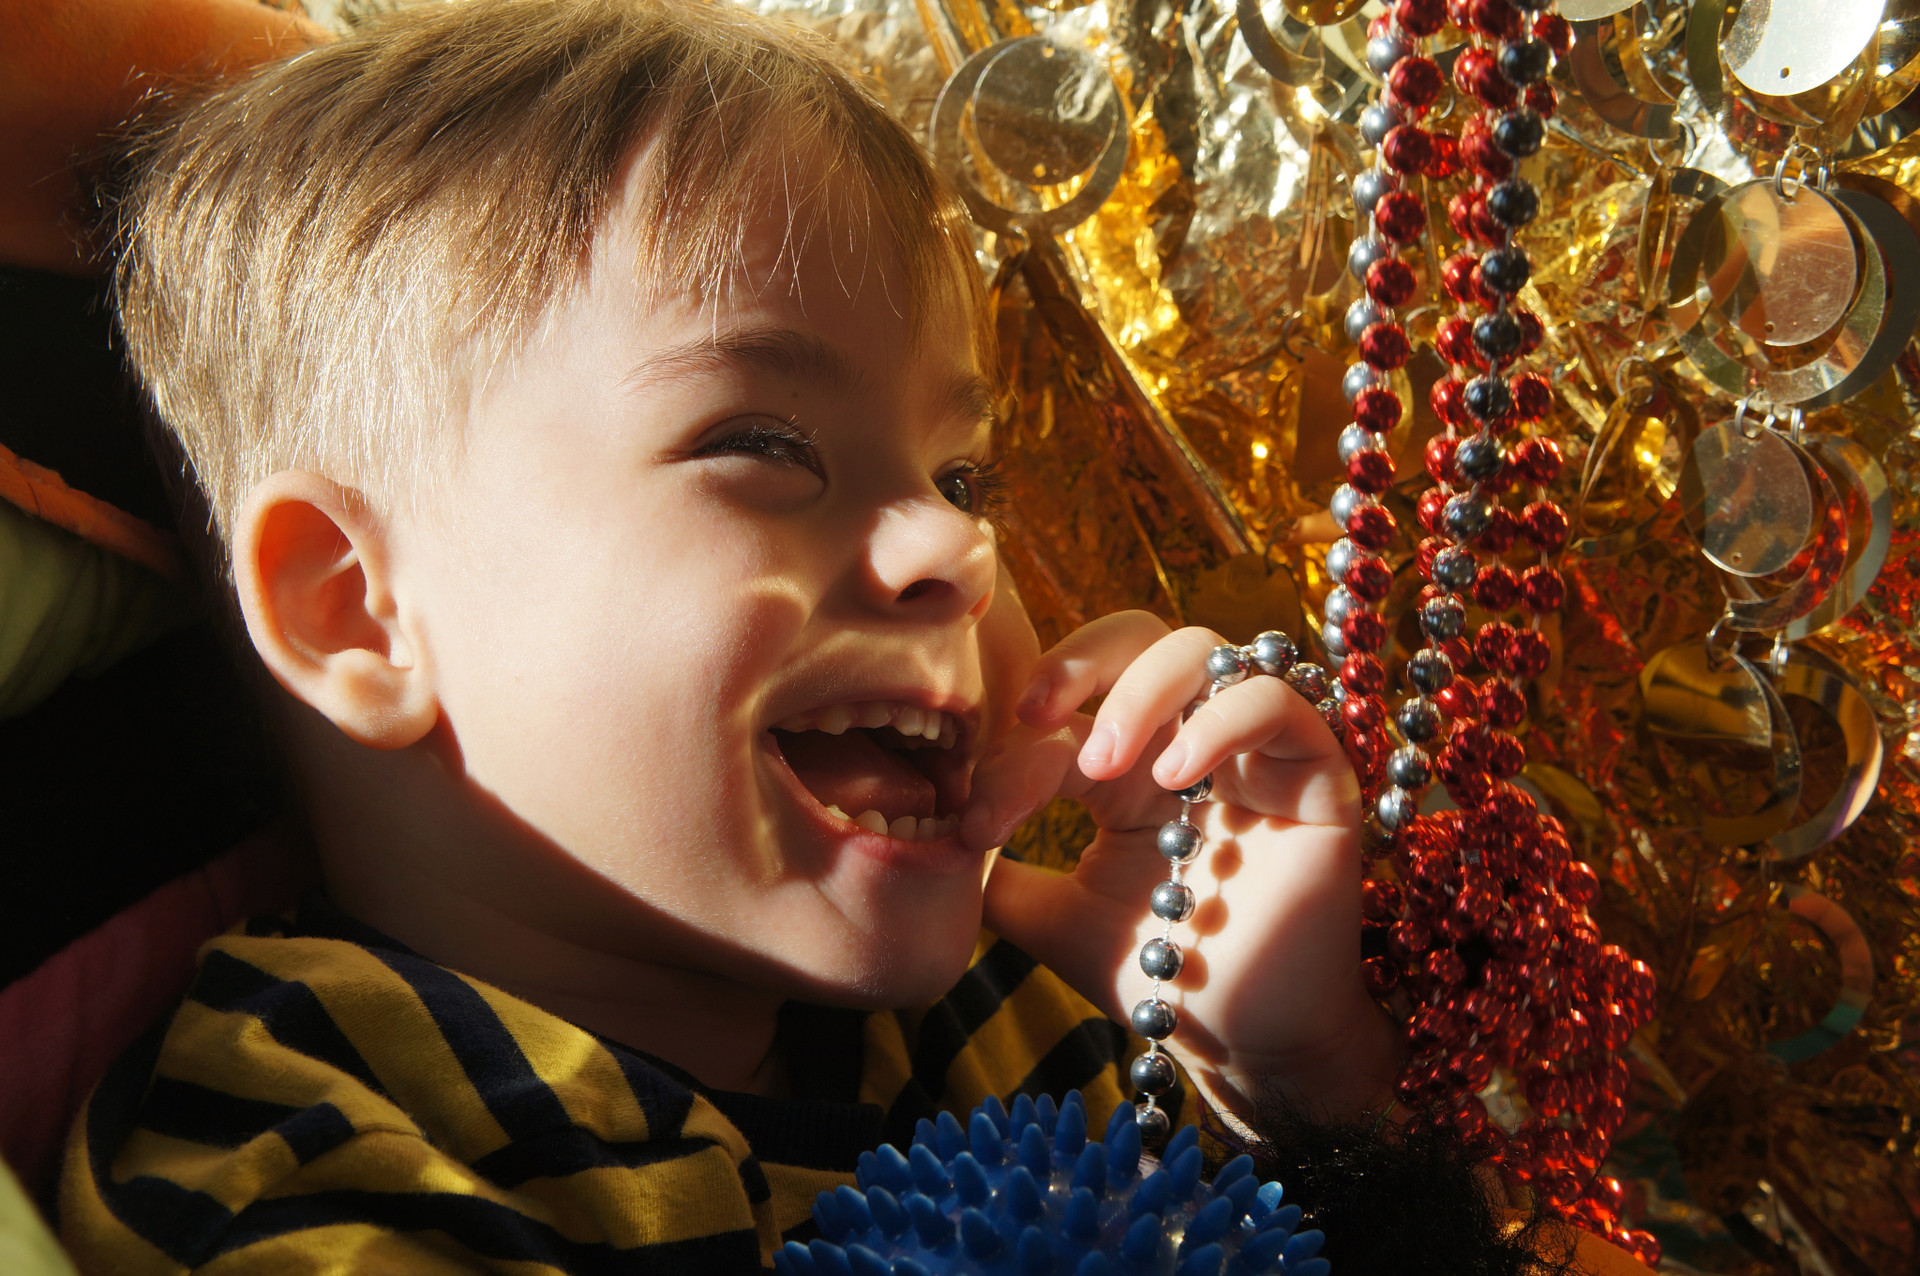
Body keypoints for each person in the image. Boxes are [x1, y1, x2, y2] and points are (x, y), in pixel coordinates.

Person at [49, 1, 1649, 1272]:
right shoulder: (296, 1161)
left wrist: (1299, 1090)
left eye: (964, 476)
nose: (959, 549)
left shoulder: (1009, 1029)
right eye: (764, 447)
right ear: (357, 611)